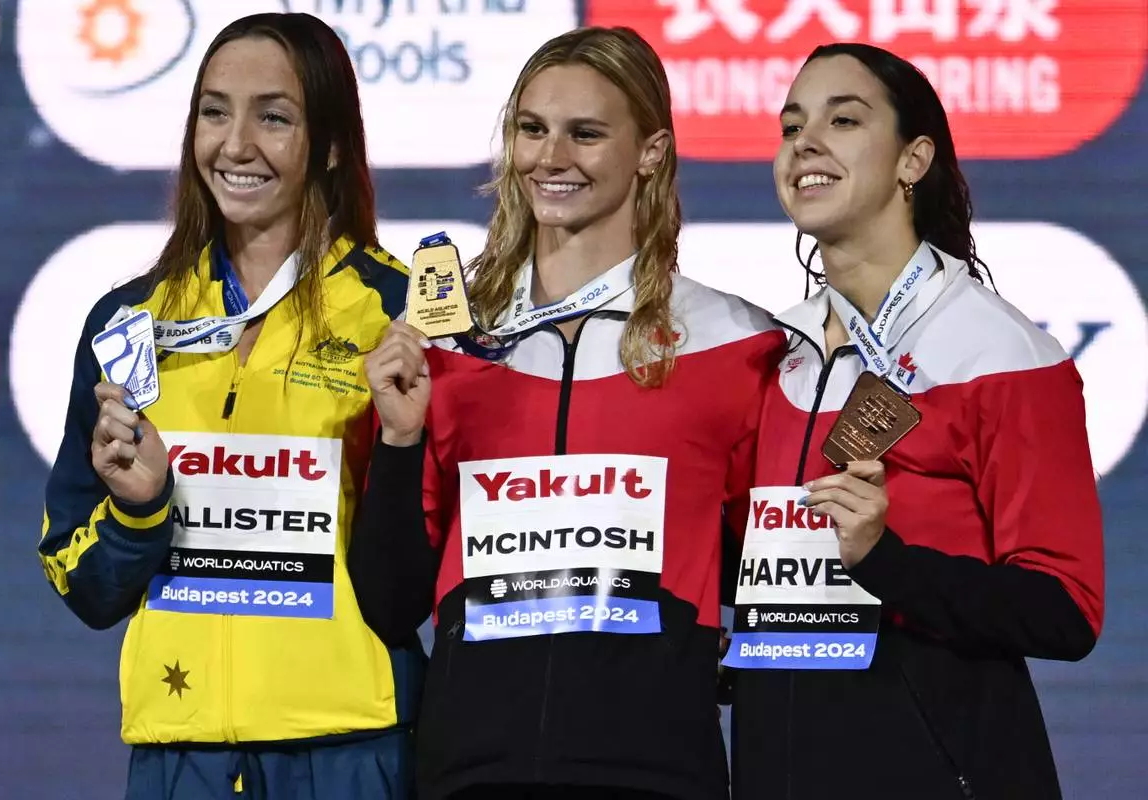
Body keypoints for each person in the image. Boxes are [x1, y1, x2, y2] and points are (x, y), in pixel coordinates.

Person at [348, 25, 785, 800]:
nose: (551, 158)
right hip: (470, 775)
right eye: (532, 129)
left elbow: (776, 588)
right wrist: (399, 437)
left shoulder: (737, 346)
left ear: (651, 151)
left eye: (585, 134)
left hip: (657, 776)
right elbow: (389, 605)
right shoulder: (446, 347)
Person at [38, 13, 420, 799]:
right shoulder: (129, 323)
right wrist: (141, 510)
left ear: (334, 144)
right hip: (184, 759)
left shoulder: (402, 315)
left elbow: (430, 566)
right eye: (214, 111)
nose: (235, 144)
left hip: (350, 749)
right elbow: (82, 584)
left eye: (273, 117)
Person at [724, 42, 1104, 800]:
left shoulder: (1000, 352)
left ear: (913, 159)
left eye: (845, 119)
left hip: (939, 771)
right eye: (791, 124)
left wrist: (886, 562)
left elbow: (1066, 610)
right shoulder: (773, 355)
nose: (805, 143)